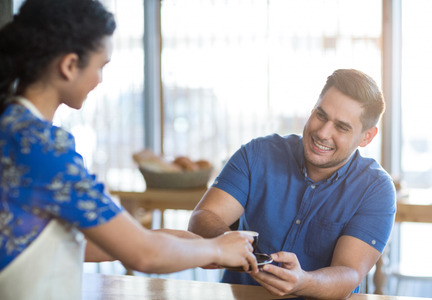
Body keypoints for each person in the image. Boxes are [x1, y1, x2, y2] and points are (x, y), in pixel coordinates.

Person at [0, 0, 257, 299]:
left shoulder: (11, 127)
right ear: (69, 65)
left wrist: (194, 245)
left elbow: (82, 242)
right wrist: (215, 247)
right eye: (100, 66)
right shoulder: (43, 148)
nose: (100, 79)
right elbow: (143, 255)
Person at [188, 69, 396, 298]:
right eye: (321, 115)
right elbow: (204, 216)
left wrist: (304, 282)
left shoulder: (376, 190)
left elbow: (348, 273)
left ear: (367, 137)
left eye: (341, 127)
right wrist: (226, 242)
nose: (323, 132)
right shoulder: (257, 154)